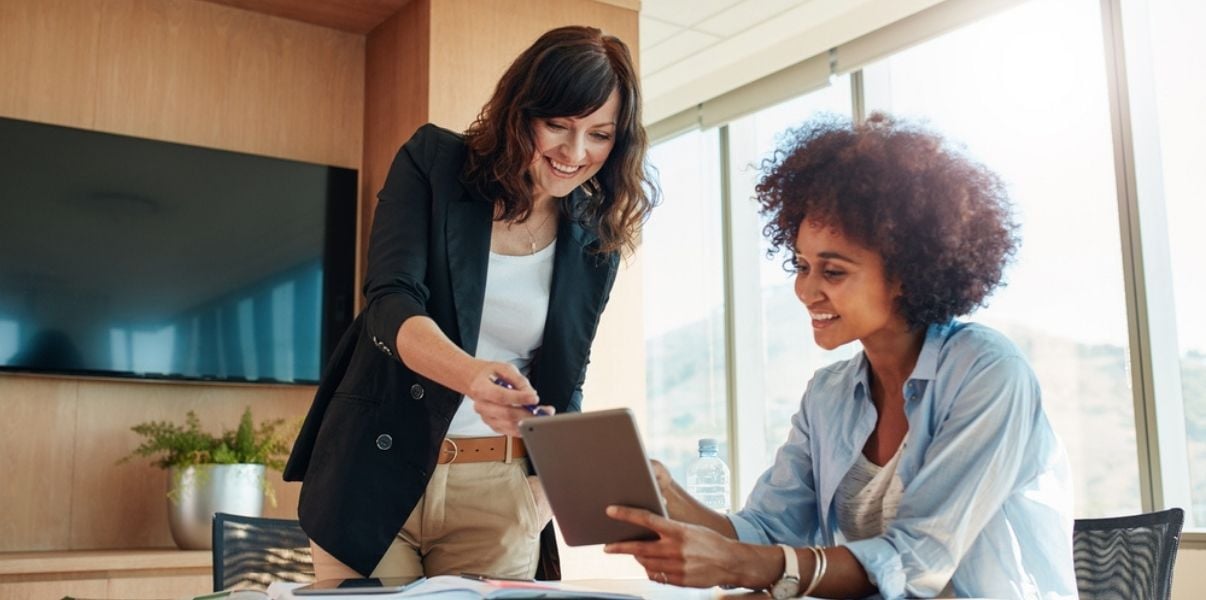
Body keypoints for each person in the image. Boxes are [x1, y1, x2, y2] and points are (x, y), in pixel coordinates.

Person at [604, 114, 1076, 599]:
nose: (807, 290)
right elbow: (770, 533)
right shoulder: (829, 395)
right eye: (802, 266)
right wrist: (673, 500)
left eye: (832, 272)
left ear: (906, 274)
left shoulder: (988, 372)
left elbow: (917, 563)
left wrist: (752, 567)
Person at [283, 26, 655, 582]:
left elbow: (563, 378)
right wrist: (472, 375)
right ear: (521, 112)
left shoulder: (592, 240)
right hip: (374, 473)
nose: (575, 153)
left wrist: (542, 498)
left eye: (599, 135)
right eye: (557, 125)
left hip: (499, 496)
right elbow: (390, 303)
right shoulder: (434, 165)